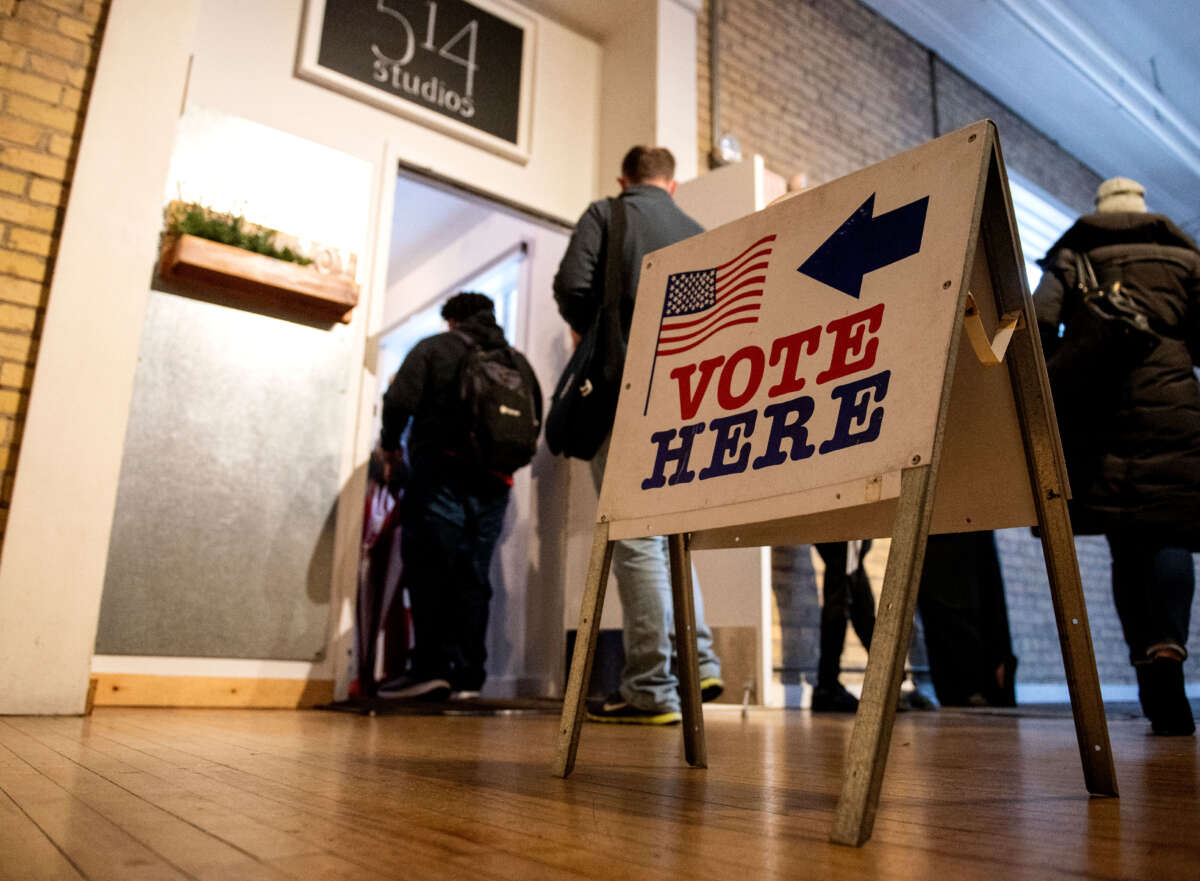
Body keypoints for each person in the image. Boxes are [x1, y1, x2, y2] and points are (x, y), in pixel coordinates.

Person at [554, 145, 723, 724]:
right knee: (671, 534)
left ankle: (651, 689)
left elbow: (572, 285)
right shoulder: (697, 232)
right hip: (685, 395)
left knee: (635, 537)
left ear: (624, 179)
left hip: (624, 389)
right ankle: (698, 662)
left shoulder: (606, 213)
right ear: (672, 186)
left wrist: (597, 334)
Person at [1034, 177, 1199, 736]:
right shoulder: (1183, 257)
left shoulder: (1075, 252)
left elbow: (1038, 321)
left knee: (1125, 544)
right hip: (1173, 406)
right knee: (1171, 534)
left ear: (1099, 211)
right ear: (1144, 209)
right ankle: (1169, 651)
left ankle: (1146, 674)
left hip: (1098, 413)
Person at [377, 292, 541, 701]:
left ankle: (430, 670)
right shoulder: (518, 362)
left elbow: (398, 401)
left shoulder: (436, 348)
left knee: (432, 569)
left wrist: (390, 447)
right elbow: (533, 423)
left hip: (441, 476)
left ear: (452, 319)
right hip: (496, 484)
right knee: (473, 577)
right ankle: (469, 676)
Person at [811, 541, 876, 711]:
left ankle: (827, 687)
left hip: (850, 535)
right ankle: (827, 687)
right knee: (841, 602)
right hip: (846, 533)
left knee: (860, 604)